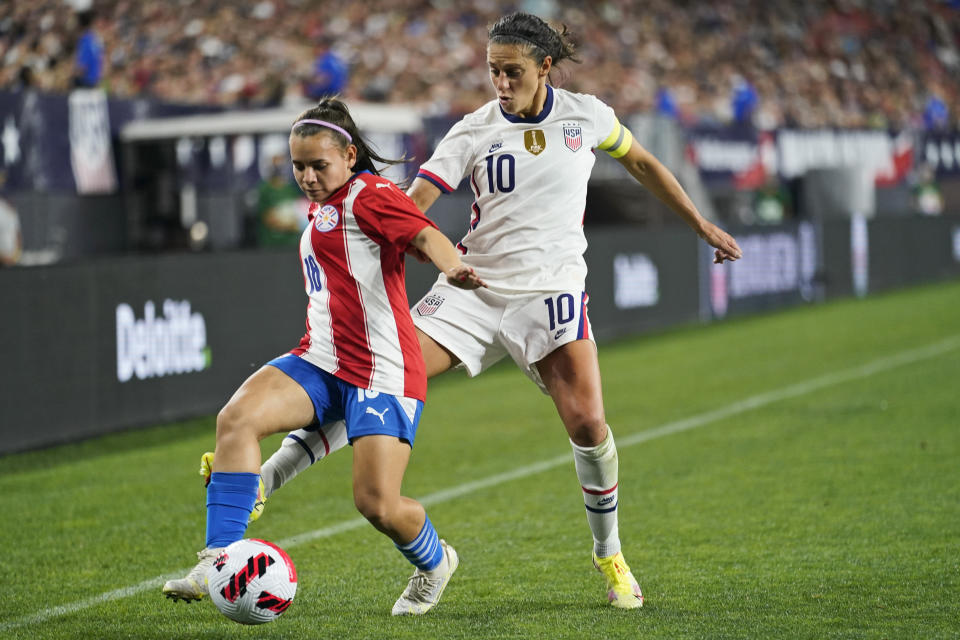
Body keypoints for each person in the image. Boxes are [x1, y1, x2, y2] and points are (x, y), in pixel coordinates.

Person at [178, 11, 742, 611]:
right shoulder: (473, 130)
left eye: (513, 71)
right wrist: (395, 235)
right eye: (494, 71)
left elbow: (642, 164)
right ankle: (269, 477)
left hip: (550, 294)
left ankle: (611, 556)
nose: (501, 82)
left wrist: (699, 224)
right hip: (470, 293)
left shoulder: (588, 116)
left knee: (588, 426)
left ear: (544, 66)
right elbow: (414, 203)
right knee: (375, 366)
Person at [162, 97, 486, 617]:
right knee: (237, 420)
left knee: (377, 505)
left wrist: (453, 266)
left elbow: (423, 234)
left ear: (349, 155)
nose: (308, 177)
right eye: (299, 167)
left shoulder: (370, 194)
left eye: (318, 165)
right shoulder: (325, 204)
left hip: (382, 371)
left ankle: (434, 563)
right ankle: (217, 559)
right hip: (319, 359)